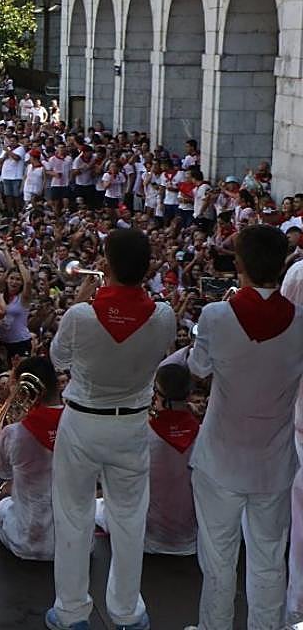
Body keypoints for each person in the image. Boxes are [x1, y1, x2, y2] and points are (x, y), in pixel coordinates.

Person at [46, 228, 174, 630]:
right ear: (147, 268)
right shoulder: (164, 315)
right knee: (129, 518)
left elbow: (57, 358)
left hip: (83, 421)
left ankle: (70, 611)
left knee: (73, 514)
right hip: (132, 424)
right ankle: (126, 611)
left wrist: (84, 299)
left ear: (104, 264)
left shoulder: (81, 315)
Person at [185, 225, 303, 630]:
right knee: (269, 560)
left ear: (239, 265)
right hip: (274, 461)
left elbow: (197, 368)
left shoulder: (216, 315)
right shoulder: (301, 321)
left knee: (218, 561)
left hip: (220, 457)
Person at [96, 363, 198, 555]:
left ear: (156, 393)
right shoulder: (203, 433)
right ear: (189, 395)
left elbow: (112, 482)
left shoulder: (140, 435)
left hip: (147, 539)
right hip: (191, 539)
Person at [0, 355, 63, 561]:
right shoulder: (80, 425)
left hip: (27, 543)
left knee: (2, 507)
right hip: (77, 545)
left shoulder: (14, 432)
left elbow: (1, 472)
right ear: (57, 384)